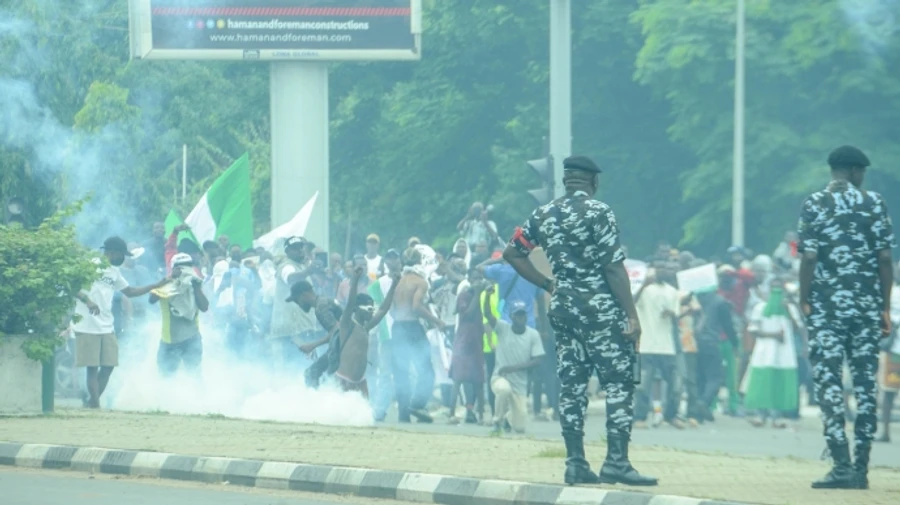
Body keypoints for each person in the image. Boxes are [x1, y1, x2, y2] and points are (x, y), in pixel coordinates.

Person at [502, 155, 656, 486]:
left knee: (572, 386)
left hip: (564, 308)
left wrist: (546, 283)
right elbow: (614, 267)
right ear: (593, 182)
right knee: (618, 382)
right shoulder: (600, 212)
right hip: (600, 309)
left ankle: (575, 463)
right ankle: (617, 462)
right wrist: (631, 314)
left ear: (566, 181)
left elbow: (512, 253)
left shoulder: (543, 214)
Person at [799, 145, 894, 490]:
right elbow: (885, 259)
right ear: (855, 171)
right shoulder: (875, 203)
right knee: (866, 385)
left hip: (826, 309)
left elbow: (808, 257)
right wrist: (884, 307)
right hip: (867, 309)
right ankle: (861, 469)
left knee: (829, 383)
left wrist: (803, 298)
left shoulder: (814, 203)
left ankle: (839, 464)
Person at [74, 237, 170, 408]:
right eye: (121, 255)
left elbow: (130, 291)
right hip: (87, 323)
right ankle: (95, 405)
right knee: (92, 367)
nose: (123, 259)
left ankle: (91, 402)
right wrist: (88, 301)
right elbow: (72, 286)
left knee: (108, 366)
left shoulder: (114, 271)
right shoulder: (91, 264)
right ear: (112, 253)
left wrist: (155, 285)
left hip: (106, 324)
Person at [390, 247, 448, 423]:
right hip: (412, 328)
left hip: (398, 327)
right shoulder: (420, 282)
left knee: (402, 372)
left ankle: (403, 415)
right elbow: (416, 307)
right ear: (420, 262)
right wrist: (436, 321)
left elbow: (392, 311)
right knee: (426, 371)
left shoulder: (398, 281)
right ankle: (416, 404)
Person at [742, 278, 800, 428]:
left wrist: (788, 311)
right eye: (773, 289)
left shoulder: (790, 308)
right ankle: (760, 415)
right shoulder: (760, 308)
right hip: (763, 353)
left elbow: (797, 329)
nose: (776, 293)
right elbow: (753, 330)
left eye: (779, 290)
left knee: (780, 383)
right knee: (762, 383)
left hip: (784, 354)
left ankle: (777, 417)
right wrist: (774, 335)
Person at [333, 267, 399, 397]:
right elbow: (350, 304)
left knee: (362, 414)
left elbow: (383, 309)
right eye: (369, 308)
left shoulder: (366, 328)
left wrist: (394, 286)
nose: (372, 311)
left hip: (360, 381)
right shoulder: (347, 324)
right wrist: (356, 280)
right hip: (343, 379)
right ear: (357, 309)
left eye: (372, 307)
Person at [483, 296, 544, 434]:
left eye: (522, 314)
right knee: (504, 390)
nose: (520, 317)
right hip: (500, 377)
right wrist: (486, 296)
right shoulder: (503, 328)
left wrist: (513, 368)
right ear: (511, 316)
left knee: (520, 428)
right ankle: (497, 421)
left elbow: (538, 360)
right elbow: (488, 314)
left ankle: (507, 418)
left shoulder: (532, 334)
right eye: (517, 314)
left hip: (520, 383)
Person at [633, 263, 682, 429]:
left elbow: (677, 315)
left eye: (666, 268)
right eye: (660, 268)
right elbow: (631, 303)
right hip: (647, 345)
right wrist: (643, 285)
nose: (664, 271)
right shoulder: (645, 289)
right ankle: (639, 417)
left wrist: (671, 314)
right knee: (643, 385)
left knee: (675, 384)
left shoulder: (673, 291)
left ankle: (671, 416)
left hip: (667, 346)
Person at [149, 253, 210, 377]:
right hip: (170, 341)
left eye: (188, 266)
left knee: (195, 375)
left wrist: (197, 287)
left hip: (192, 338)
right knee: (166, 378)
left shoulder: (194, 286)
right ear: (173, 268)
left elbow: (204, 307)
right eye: (180, 267)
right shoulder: (166, 284)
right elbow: (152, 299)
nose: (184, 270)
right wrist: (170, 278)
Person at [285, 281, 342, 388]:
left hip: (342, 348)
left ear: (304, 295)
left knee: (311, 374)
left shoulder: (321, 307)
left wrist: (312, 345)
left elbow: (337, 331)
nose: (298, 304)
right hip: (343, 345)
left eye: (297, 300)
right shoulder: (323, 302)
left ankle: (316, 401)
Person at [448, 269, 487, 424]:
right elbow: (467, 314)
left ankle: (481, 415)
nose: (478, 281)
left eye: (480, 278)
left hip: (477, 341)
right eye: (475, 278)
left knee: (478, 380)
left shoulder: (484, 295)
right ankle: (451, 413)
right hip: (463, 341)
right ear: (469, 280)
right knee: (458, 378)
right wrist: (477, 294)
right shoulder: (464, 295)